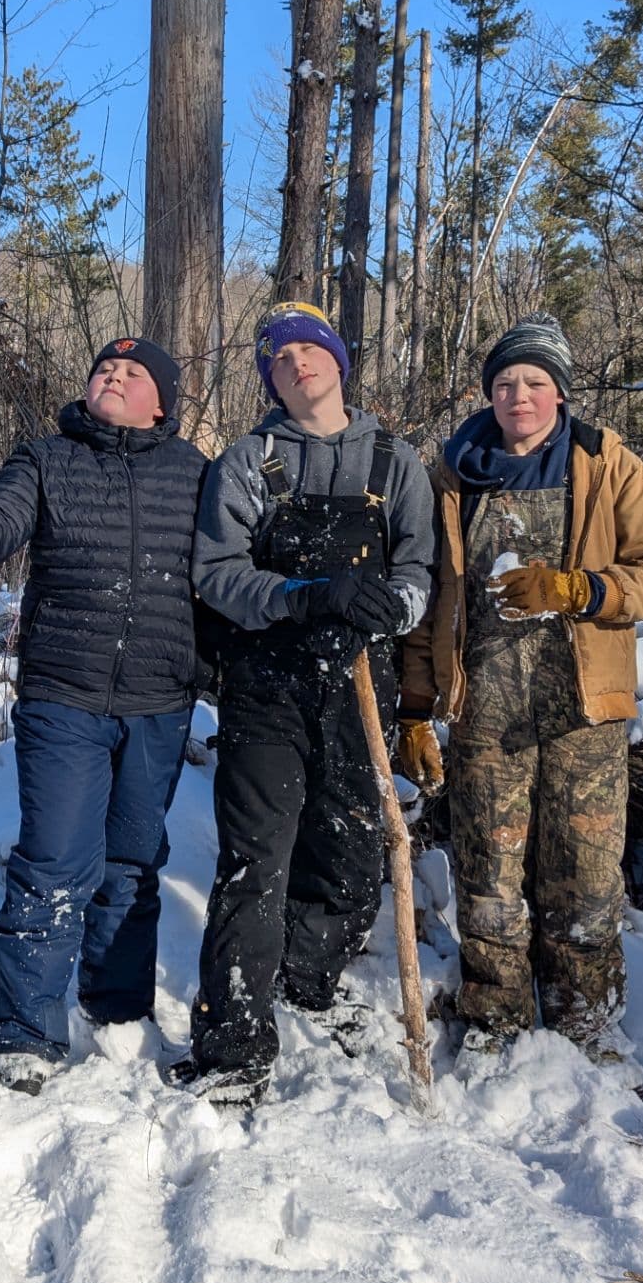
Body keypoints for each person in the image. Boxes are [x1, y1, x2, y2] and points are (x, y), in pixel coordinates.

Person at [0, 338, 206, 1095]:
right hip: (64, 695)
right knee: (55, 862)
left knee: (133, 864)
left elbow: (226, 571)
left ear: (162, 402)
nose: (114, 376)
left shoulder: (194, 474)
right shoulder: (46, 458)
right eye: (105, 367)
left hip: (160, 698)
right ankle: (27, 1028)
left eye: (133, 373)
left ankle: (115, 1011)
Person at [396, 313, 643, 1073]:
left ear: (558, 392)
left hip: (582, 709)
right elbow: (431, 599)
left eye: (534, 382)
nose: (518, 395)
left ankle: (587, 1023)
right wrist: (418, 707)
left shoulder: (605, 462)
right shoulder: (455, 473)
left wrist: (579, 588)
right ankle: (493, 1018)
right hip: (485, 707)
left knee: (586, 881)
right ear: (489, 393)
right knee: (487, 875)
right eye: (504, 382)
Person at [179, 302, 435, 1109]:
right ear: (269, 378)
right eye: (278, 358)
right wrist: (298, 596)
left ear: (338, 360)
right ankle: (235, 1042)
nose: (296, 364)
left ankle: (310, 976)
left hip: (360, 684)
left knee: (356, 855)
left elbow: (423, 574)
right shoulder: (249, 463)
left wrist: (391, 608)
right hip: (266, 686)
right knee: (256, 862)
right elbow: (216, 573)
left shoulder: (396, 464)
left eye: (308, 349)